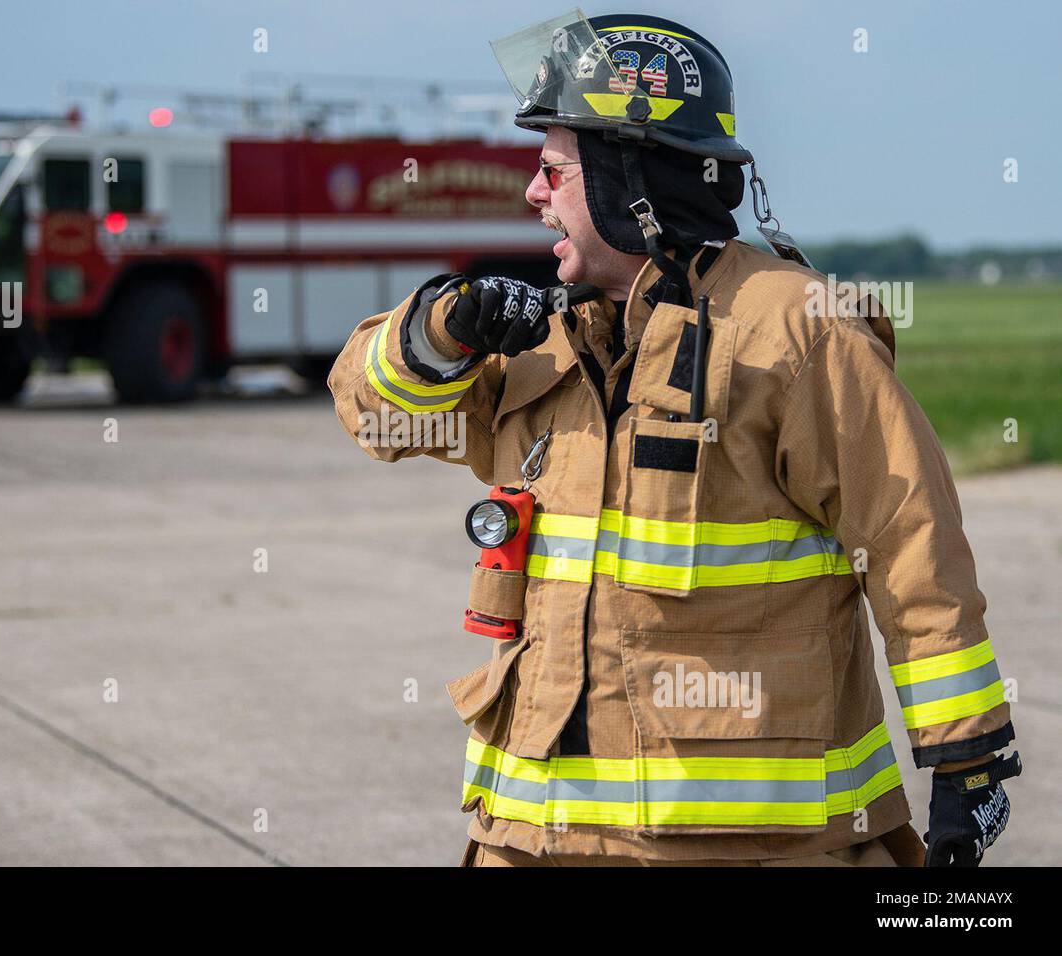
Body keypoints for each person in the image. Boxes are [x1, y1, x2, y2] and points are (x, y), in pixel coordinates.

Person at [328, 11, 1019, 867]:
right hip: (530, 841)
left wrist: (967, 757)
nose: (532, 195)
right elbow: (372, 415)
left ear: (630, 183)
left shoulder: (796, 333)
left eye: (552, 171)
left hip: (752, 847)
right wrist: (439, 332)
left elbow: (912, 543)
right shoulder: (540, 339)